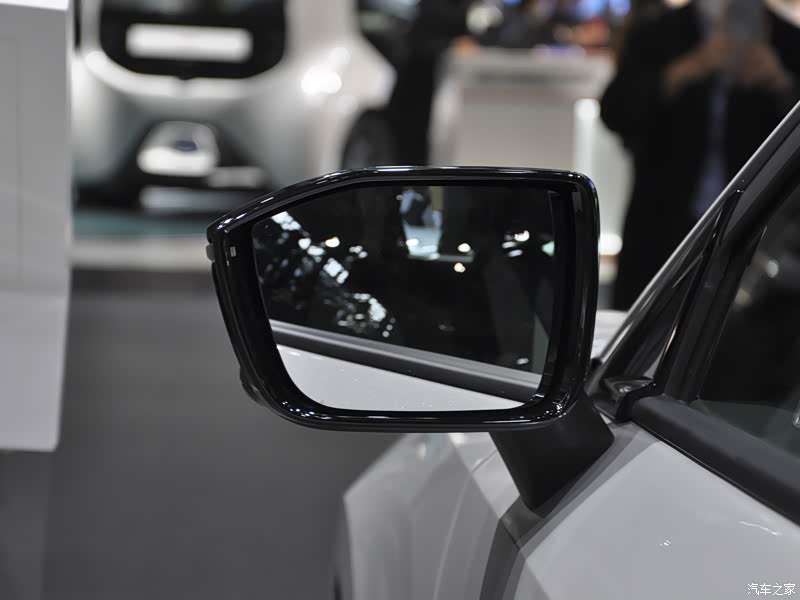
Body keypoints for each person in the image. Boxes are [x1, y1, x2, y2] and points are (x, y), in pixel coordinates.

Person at [600, 0, 800, 310]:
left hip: (758, 228)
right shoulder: (660, 32)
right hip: (662, 223)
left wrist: (781, 82)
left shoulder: (788, 40)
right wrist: (688, 68)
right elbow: (616, 111)